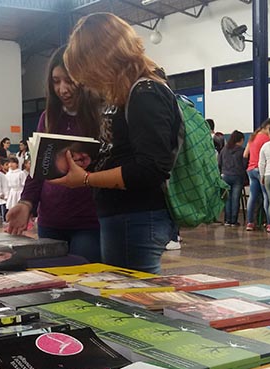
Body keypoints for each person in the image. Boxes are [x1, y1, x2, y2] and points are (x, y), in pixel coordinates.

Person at [47, 14, 180, 273]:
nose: (85, 81)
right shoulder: (125, 93)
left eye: (85, 69)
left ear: (103, 58)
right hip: (124, 217)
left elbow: (151, 168)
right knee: (126, 298)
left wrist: (86, 180)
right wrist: (92, 161)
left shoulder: (145, 93)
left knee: (134, 302)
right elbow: (124, 153)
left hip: (137, 217)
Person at [6, 46, 103, 261]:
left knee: (84, 282)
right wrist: (26, 203)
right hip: (50, 221)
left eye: (69, 81)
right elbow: (38, 169)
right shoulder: (48, 118)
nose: (63, 89)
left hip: (89, 222)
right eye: (56, 81)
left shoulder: (101, 116)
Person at [243, 118, 270, 231]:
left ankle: (250, 223)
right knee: (267, 197)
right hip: (261, 170)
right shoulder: (267, 139)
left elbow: (245, 154)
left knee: (252, 197)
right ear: (267, 127)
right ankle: (269, 224)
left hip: (251, 170)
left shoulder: (252, 137)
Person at [218, 131, 246, 226]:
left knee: (227, 199)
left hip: (225, 176)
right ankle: (234, 220)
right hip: (237, 176)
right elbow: (244, 164)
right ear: (240, 140)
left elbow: (219, 163)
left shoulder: (224, 150)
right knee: (235, 198)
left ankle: (227, 220)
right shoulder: (242, 150)